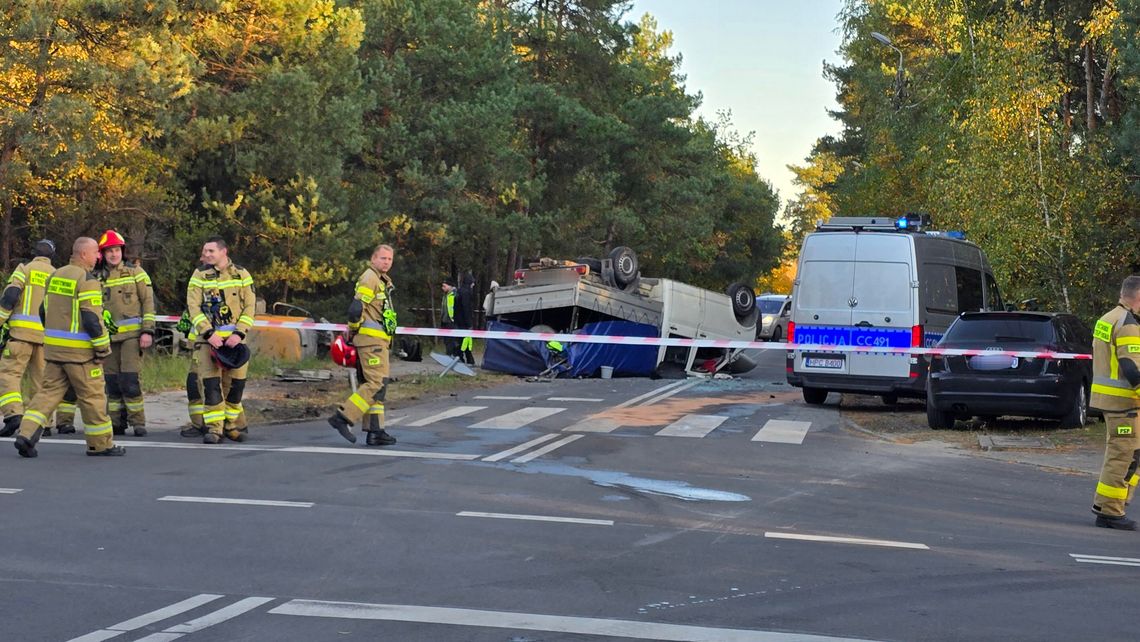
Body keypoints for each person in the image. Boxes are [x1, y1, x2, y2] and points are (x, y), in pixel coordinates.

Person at [13, 237, 123, 457]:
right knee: (93, 398)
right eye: (95, 253)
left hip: (53, 351)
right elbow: (92, 318)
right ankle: (100, 444)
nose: (98, 257)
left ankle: (25, 434)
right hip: (81, 354)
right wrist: (102, 349)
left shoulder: (55, 275)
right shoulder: (87, 279)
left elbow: (43, 311)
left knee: (46, 394)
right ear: (83, 254)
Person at [186, 236, 256, 444]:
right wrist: (208, 333)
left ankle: (231, 426)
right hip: (209, 342)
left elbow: (250, 307)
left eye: (210, 251)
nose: (206, 255)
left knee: (235, 387)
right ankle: (214, 429)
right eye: (205, 251)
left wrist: (239, 333)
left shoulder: (242, 274)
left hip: (235, 343)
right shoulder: (199, 275)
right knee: (212, 386)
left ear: (223, 251)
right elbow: (193, 307)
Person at [327, 244, 398, 446]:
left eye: (389, 259)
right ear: (373, 259)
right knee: (375, 384)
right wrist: (353, 328)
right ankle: (343, 417)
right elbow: (356, 308)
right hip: (370, 341)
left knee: (378, 386)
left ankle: (376, 431)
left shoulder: (380, 280)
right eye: (383, 258)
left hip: (378, 340)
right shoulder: (370, 278)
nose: (386, 262)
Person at [93, 229, 156, 437]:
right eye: (109, 251)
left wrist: (148, 331)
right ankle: (116, 423)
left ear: (123, 251)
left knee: (130, 380)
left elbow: (148, 303)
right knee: (111, 382)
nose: (114, 254)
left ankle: (138, 422)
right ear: (102, 253)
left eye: (117, 250)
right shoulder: (96, 277)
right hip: (107, 339)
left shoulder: (136, 272)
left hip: (132, 336)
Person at [1090, 275, 1140, 530]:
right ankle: (1110, 511)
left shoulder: (1107, 319)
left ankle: (1109, 505)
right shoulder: (1128, 324)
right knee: (1124, 456)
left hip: (1112, 401)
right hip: (1125, 404)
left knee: (1131, 454)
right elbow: (1131, 367)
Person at [0, 240, 55, 438]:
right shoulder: (56, 275)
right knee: (42, 380)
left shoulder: (25, 269)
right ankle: (43, 423)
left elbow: (11, 296)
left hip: (20, 335)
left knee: (8, 376)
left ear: (33, 253)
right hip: (46, 339)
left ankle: (13, 415)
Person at [456, 271, 476, 365]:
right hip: (464, 322)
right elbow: (466, 308)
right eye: (472, 283)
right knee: (465, 340)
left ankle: (467, 358)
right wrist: (469, 323)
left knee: (462, 340)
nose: (473, 285)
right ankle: (461, 357)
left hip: (458, 321)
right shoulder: (466, 293)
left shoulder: (459, 291)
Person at [440, 277, 459, 357]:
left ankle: (451, 355)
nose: (442, 288)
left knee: (451, 340)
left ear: (450, 286)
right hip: (444, 321)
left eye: (444, 286)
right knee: (446, 340)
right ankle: (449, 354)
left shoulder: (455, 295)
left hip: (452, 321)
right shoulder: (445, 295)